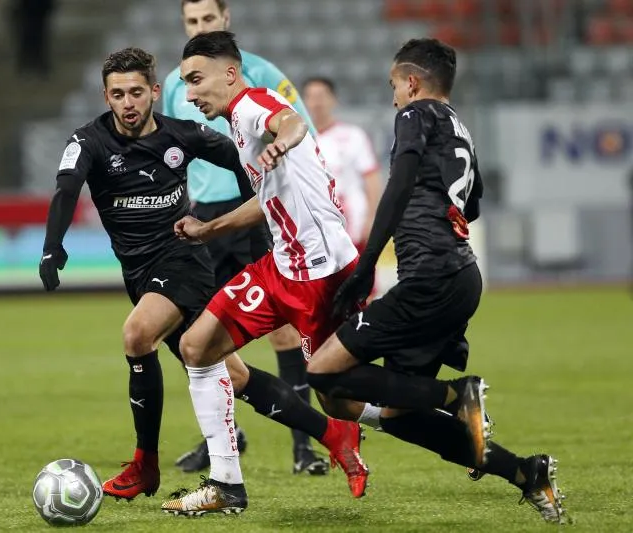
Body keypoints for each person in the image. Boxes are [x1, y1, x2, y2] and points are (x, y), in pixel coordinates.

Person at [39, 46, 364, 506]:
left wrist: (262, 219)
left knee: (137, 335)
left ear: (154, 92)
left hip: (182, 262)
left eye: (136, 92)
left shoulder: (182, 135)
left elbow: (240, 160)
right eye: (117, 94)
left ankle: (144, 466)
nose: (128, 103)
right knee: (231, 374)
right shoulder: (89, 142)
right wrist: (54, 244)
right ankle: (332, 433)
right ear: (105, 96)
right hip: (140, 275)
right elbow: (66, 188)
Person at [304, 38, 568, 525]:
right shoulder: (460, 129)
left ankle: (457, 394)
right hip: (461, 275)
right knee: (402, 416)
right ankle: (527, 472)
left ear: (411, 81)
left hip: (429, 277)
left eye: (393, 87)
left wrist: (365, 267)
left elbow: (399, 183)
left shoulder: (415, 115)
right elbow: (474, 203)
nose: (393, 99)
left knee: (321, 373)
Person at [160, 31, 369, 516]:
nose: (189, 94)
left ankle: (448, 408)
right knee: (196, 346)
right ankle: (226, 485)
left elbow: (291, 123)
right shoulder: (239, 119)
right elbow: (268, 200)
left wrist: (284, 141)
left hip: (320, 277)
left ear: (229, 74)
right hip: (281, 267)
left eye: (196, 80)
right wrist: (210, 228)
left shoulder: (254, 106)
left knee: (343, 400)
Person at [162, 0, 328, 476]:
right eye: (192, 21)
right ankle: (224, 437)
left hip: (254, 213)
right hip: (203, 217)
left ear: (226, 20)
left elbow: (302, 131)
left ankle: (303, 447)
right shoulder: (177, 84)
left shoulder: (259, 75)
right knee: (200, 335)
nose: (200, 27)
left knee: (283, 333)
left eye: (208, 19)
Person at [301, 77, 383, 252]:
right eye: (311, 97)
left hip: (353, 226)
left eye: (321, 96)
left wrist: (371, 218)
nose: (316, 103)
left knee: (360, 278)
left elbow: (372, 179)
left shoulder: (354, 136)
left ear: (334, 99)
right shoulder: (298, 141)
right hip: (314, 232)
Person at [9, 0, 56, 79]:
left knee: (32, 33)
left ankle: (30, 63)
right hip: (35, 8)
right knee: (37, 34)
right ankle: (34, 63)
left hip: (32, 8)